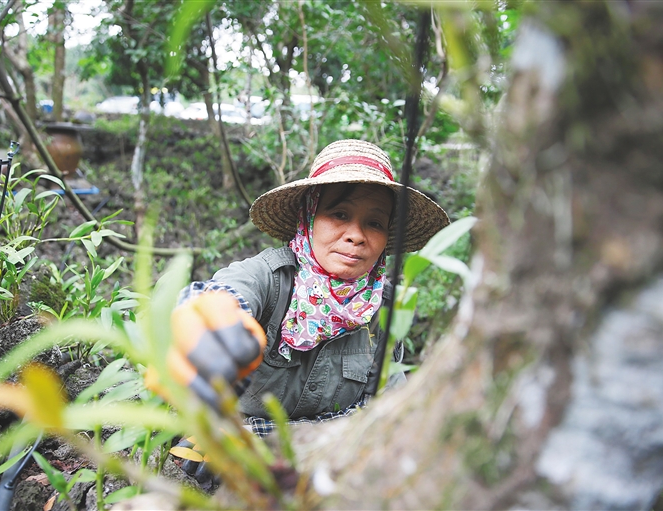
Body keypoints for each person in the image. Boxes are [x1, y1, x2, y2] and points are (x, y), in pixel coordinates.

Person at [156, 139, 449, 483]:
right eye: (339, 214)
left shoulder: (382, 311)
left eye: (375, 223)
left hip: (327, 466)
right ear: (308, 216)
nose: (355, 235)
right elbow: (221, 296)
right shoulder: (270, 278)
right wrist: (212, 324)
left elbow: (389, 411)